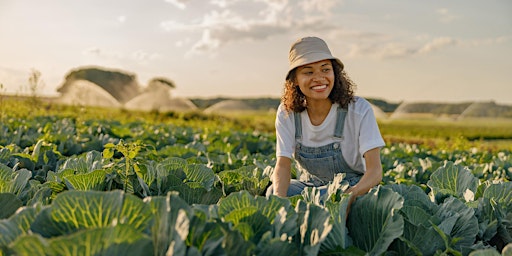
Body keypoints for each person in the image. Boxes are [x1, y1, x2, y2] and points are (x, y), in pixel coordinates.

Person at [266, 36, 385, 208]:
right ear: (294, 80)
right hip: (311, 187)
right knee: (273, 193)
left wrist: (346, 197)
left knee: (338, 201)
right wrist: (278, 202)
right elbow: (283, 165)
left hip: (353, 187)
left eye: (325, 69)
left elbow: (375, 172)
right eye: (308, 72)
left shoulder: (359, 109)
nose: (319, 78)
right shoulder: (287, 113)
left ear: (335, 73)